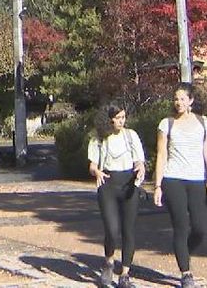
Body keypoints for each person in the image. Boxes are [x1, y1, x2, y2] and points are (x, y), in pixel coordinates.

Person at [153, 82, 207, 288]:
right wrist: (157, 185)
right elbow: (162, 154)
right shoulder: (166, 124)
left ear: (191, 100)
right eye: (176, 99)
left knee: (201, 227)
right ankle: (186, 273)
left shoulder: (203, 123)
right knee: (181, 226)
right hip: (173, 179)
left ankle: (182, 250)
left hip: (197, 180)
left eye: (183, 99)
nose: (178, 103)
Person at [87, 102, 146, 288]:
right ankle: (109, 262)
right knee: (112, 230)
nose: (122, 121)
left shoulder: (131, 135)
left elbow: (139, 160)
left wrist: (140, 168)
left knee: (128, 230)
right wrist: (96, 171)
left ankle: (125, 273)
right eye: (118, 118)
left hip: (129, 184)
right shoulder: (99, 138)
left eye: (123, 117)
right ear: (109, 120)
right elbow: (92, 166)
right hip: (108, 185)